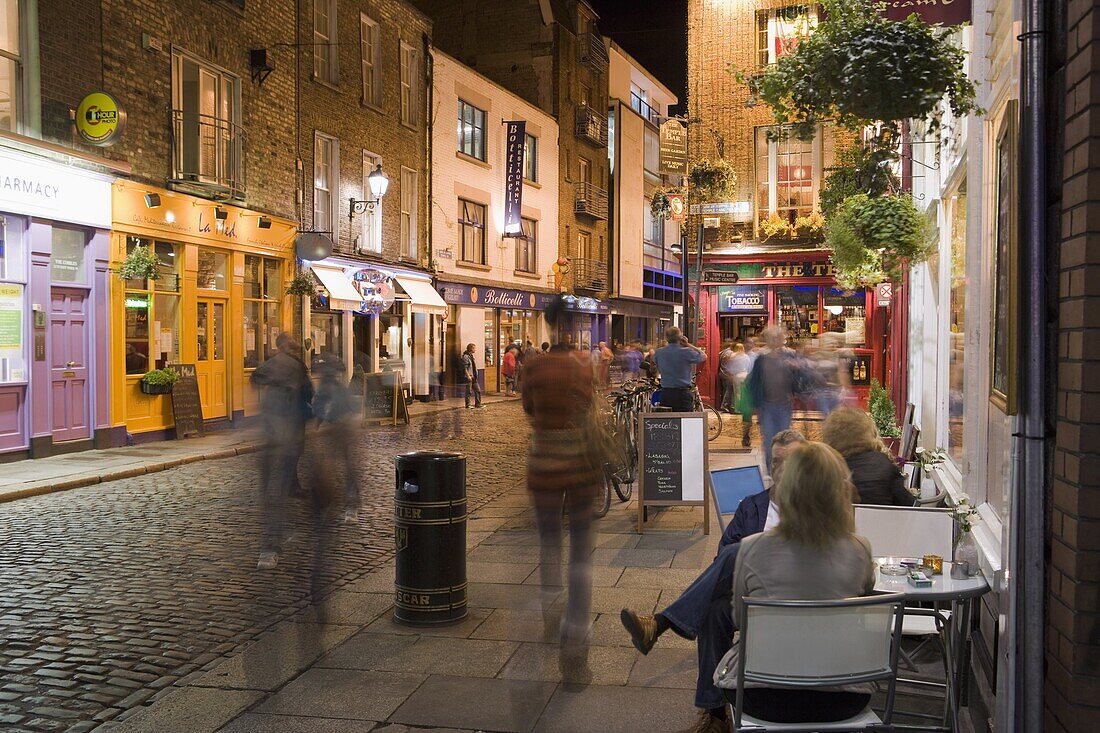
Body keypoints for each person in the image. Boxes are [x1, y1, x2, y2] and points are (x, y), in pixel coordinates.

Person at [619, 430, 808, 732]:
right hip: (753, 597)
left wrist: (762, 550)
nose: (783, 468)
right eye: (777, 461)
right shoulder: (752, 506)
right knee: (716, 606)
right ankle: (716, 716)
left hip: (800, 599)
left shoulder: (817, 508)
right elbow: (723, 556)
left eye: (793, 461)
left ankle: (660, 624)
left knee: (737, 558)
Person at [711, 443, 877, 726]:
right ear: (839, 491)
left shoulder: (751, 548)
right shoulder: (859, 549)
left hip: (763, 694)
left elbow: (740, 619)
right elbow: (864, 600)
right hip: (843, 696)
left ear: (786, 489)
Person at [523, 334, 600, 682]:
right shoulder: (583, 364)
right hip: (580, 467)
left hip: (543, 464)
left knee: (549, 540)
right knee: (581, 553)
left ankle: (550, 613)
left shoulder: (534, 364)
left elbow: (528, 407)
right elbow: (588, 406)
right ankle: (575, 637)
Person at [250, 333, 313, 570]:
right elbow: (309, 393)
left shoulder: (272, 363)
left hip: (270, 428)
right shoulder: (296, 366)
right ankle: (271, 547)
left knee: (270, 485)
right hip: (289, 427)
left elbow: (256, 377)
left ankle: (271, 542)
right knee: (285, 473)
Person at [822, 408, 916, 506]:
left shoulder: (823, 468)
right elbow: (910, 507)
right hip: (880, 520)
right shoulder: (884, 464)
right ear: (869, 433)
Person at [746, 327, 795, 474]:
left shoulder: (790, 356)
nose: (778, 341)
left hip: (784, 404)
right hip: (767, 405)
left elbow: (800, 377)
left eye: (780, 338)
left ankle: (784, 471)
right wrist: (755, 405)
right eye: (775, 338)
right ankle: (771, 470)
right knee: (769, 440)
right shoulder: (761, 359)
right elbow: (753, 383)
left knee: (785, 439)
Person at [654, 327, 707, 411]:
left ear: (667, 338)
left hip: (666, 393)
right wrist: (688, 344)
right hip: (682, 393)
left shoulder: (659, 352)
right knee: (685, 421)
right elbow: (703, 356)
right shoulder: (686, 352)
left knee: (667, 421)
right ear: (680, 338)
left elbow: (654, 365)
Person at [461, 343, 482, 408]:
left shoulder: (471, 356)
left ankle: (478, 404)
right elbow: (465, 368)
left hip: (474, 377)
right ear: (471, 348)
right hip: (469, 376)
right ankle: (468, 405)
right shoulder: (466, 357)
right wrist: (468, 376)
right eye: (474, 348)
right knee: (468, 391)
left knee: (478, 390)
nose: (475, 349)